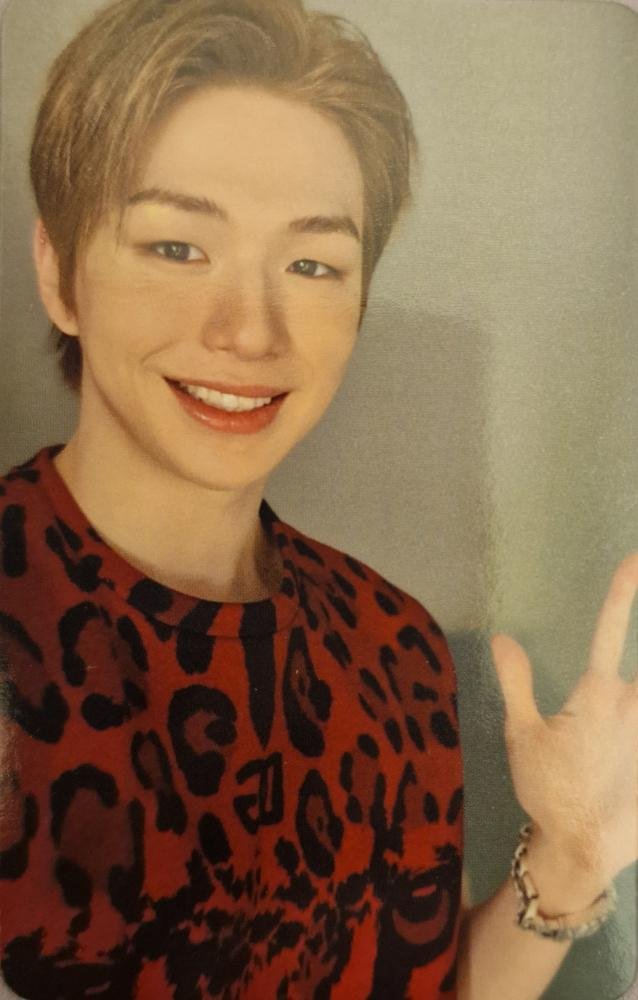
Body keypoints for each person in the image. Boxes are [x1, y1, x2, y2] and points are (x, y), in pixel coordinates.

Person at [0, 0, 636, 997]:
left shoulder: (396, 649)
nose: (249, 330)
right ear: (59, 274)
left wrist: (569, 856)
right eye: (177, 247)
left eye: (310, 264)